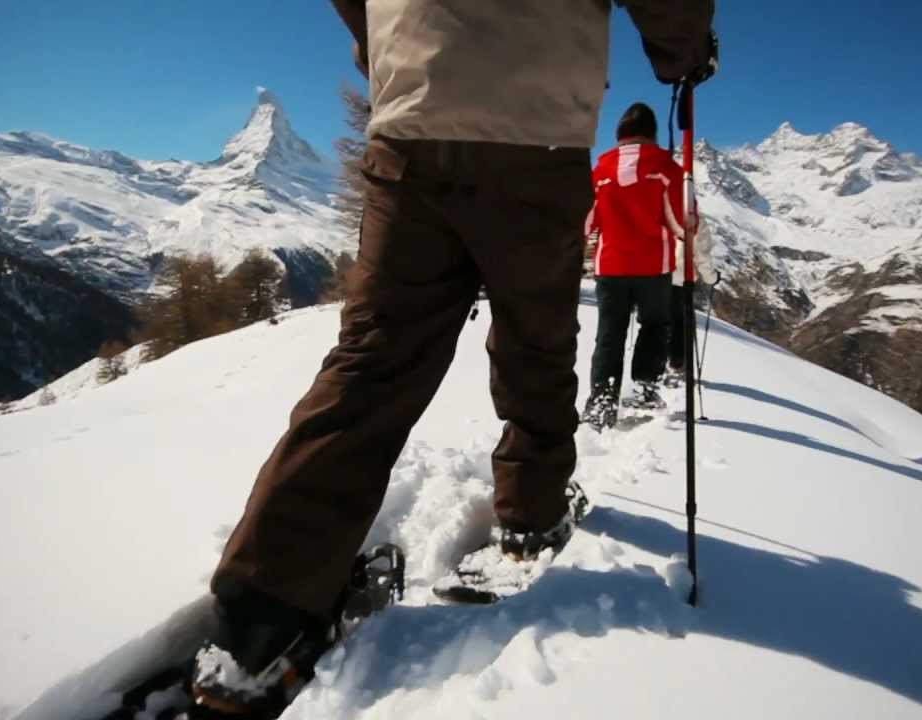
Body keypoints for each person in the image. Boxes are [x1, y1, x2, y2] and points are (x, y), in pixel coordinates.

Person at [196, 1, 716, 713]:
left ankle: (262, 613)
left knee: (372, 361)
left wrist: (384, 45)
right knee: (536, 343)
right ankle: (533, 512)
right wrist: (683, 54)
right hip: (538, 134)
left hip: (413, 126)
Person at [581, 102, 683, 429]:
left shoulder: (600, 171)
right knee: (654, 326)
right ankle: (644, 387)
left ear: (619, 134)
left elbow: (586, 222)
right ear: (652, 134)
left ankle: (601, 403)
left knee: (609, 334)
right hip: (654, 266)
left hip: (610, 266)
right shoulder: (667, 169)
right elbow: (682, 224)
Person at [668, 218, 720, 381]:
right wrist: (711, 278)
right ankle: (677, 365)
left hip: (657, 276)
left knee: (657, 322)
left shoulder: (656, 206)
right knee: (681, 324)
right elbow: (702, 255)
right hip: (682, 279)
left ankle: (655, 365)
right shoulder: (695, 217)